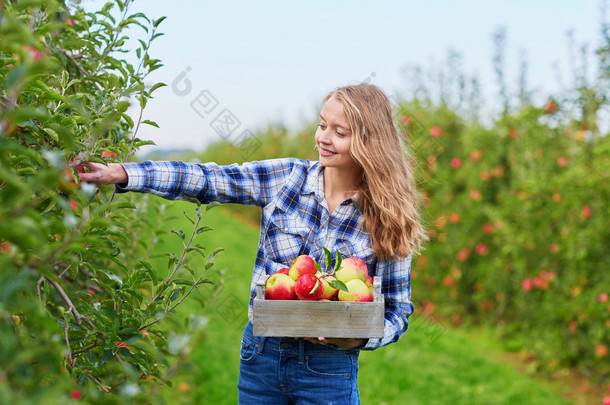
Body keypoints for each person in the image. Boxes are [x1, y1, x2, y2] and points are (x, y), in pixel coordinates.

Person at [80, 83, 427, 404]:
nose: (323, 138)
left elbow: (398, 310)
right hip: (262, 357)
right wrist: (124, 174)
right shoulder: (286, 178)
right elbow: (210, 179)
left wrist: (357, 338)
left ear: (370, 141)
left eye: (340, 132)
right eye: (322, 125)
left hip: (329, 369)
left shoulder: (387, 214)